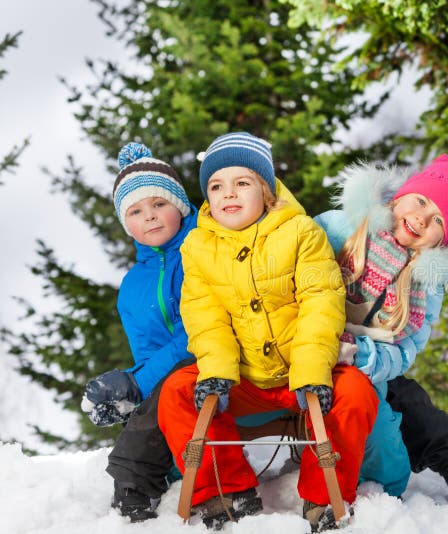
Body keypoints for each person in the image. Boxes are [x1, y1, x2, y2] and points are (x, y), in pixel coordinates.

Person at [155, 132, 378, 530]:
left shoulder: (302, 233)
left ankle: (323, 496)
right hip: (242, 378)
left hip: (303, 372)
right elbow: (205, 317)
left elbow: (321, 302)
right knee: (176, 391)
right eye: (216, 186)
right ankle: (227, 490)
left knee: (357, 391)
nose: (228, 194)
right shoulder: (198, 248)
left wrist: (312, 371)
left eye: (242, 182)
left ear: (267, 190)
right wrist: (218, 372)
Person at [315, 154, 448, 497]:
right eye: (421, 200)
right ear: (400, 195)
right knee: (402, 398)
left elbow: (406, 351)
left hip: (364, 360)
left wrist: (361, 357)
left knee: (404, 397)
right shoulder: (340, 227)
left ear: (445, 240)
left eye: (438, 219)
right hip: (308, 342)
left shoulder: (424, 281)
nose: (421, 218)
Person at [80, 142, 198, 522]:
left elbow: (200, 328)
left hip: (222, 360)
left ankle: (135, 484)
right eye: (136, 210)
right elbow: (148, 357)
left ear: (179, 205)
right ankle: (147, 484)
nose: (150, 216)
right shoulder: (132, 288)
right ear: (125, 222)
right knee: (155, 394)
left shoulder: (203, 248)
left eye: (159, 203)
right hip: (175, 380)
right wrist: (134, 390)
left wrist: (137, 381)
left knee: (162, 385)